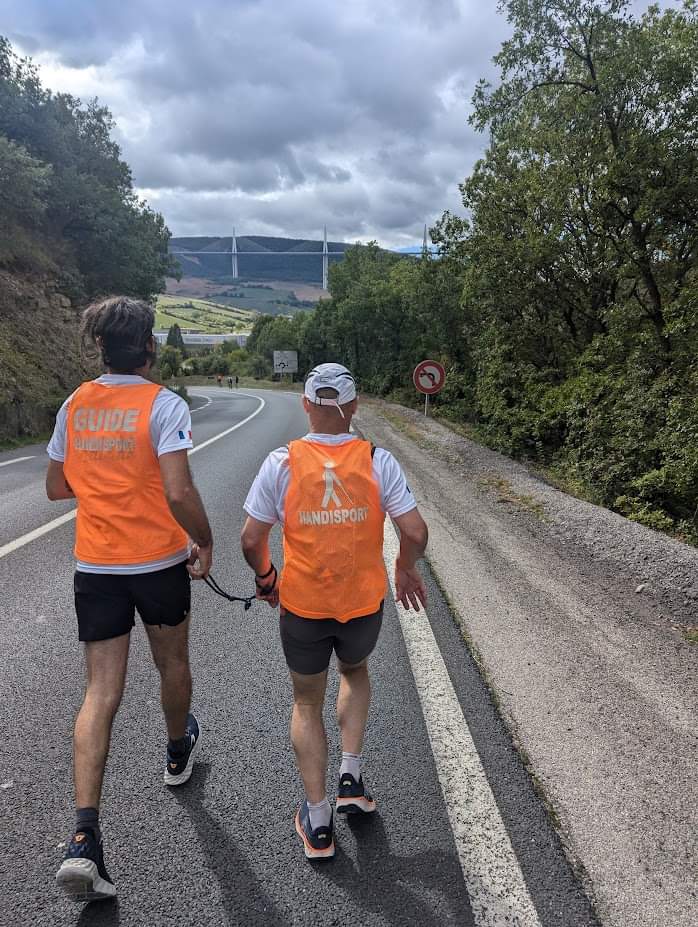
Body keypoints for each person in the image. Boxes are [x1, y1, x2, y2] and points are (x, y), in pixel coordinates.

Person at [46, 297, 213, 901]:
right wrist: (205, 539)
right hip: (157, 563)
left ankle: (83, 839)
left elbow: (55, 485)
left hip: (96, 565)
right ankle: (176, 753)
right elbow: (177, 487)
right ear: (148, 347)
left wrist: (102, 484)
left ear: (100, 349)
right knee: (171, 663)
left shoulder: (75, 404)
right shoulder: (163, 403)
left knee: (101, 692)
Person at [241, 363, 428, 860]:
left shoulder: (281, 462)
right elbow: (414, 532)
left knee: (306, 702)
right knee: (355, 669)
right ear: (354, 406)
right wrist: (405, 568)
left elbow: (251, 538)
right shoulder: (376, 460)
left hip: (303, 607)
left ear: (305, 404)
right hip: (362, 606)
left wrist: (265, 579)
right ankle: (351, 775)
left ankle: (318, 822)